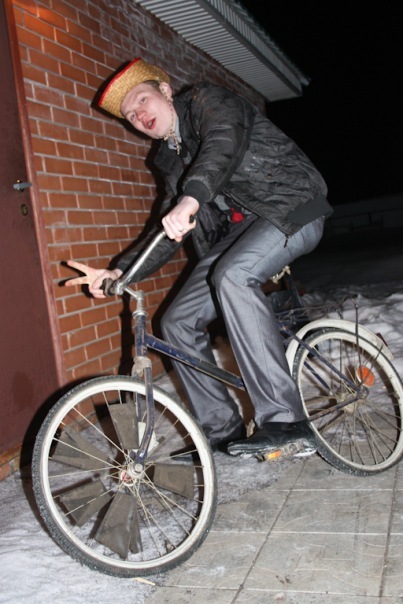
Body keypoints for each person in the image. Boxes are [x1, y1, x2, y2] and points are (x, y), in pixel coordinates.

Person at [66, 58, 333, 458]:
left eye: (142, 100)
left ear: (165, 91)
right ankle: (222, 429)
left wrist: (191, 198)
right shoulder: (171, 159)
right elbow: (167, 229)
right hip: (242, 234)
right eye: (131, 115)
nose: (139, 115)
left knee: (232, 276)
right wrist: (120, 271)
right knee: (176, 321)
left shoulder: (208, 101)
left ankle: (286, 420)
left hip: (292, 208)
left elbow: (223, 144)